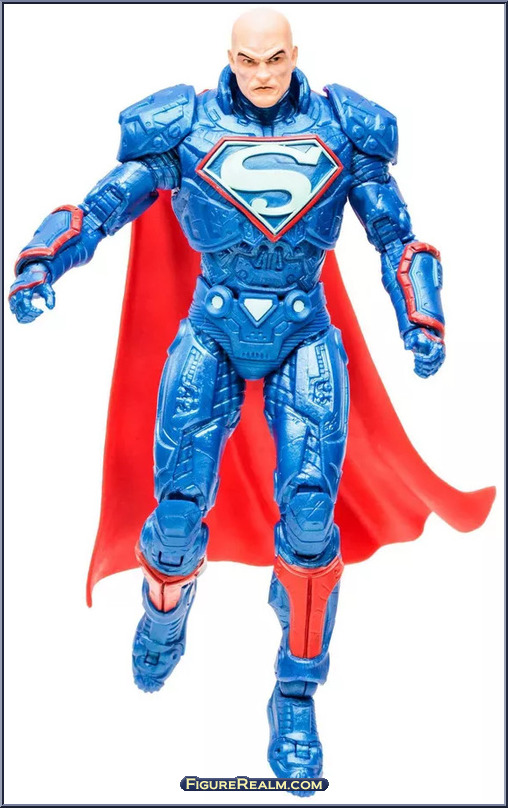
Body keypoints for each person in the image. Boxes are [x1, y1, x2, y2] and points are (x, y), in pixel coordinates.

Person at [9, 8, 494, 789]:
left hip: (304, 331)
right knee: (175, 514)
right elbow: (101, 208)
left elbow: (395, 237)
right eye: (247, 59)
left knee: (310, 520)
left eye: (274, 59)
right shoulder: (184, 127)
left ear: (295, 54)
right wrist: (43, 261)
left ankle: (295, 694)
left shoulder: (344, 131)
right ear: (228, 57)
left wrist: (421, 317)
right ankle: (165, 613)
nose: (262, 74)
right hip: (214, 327)